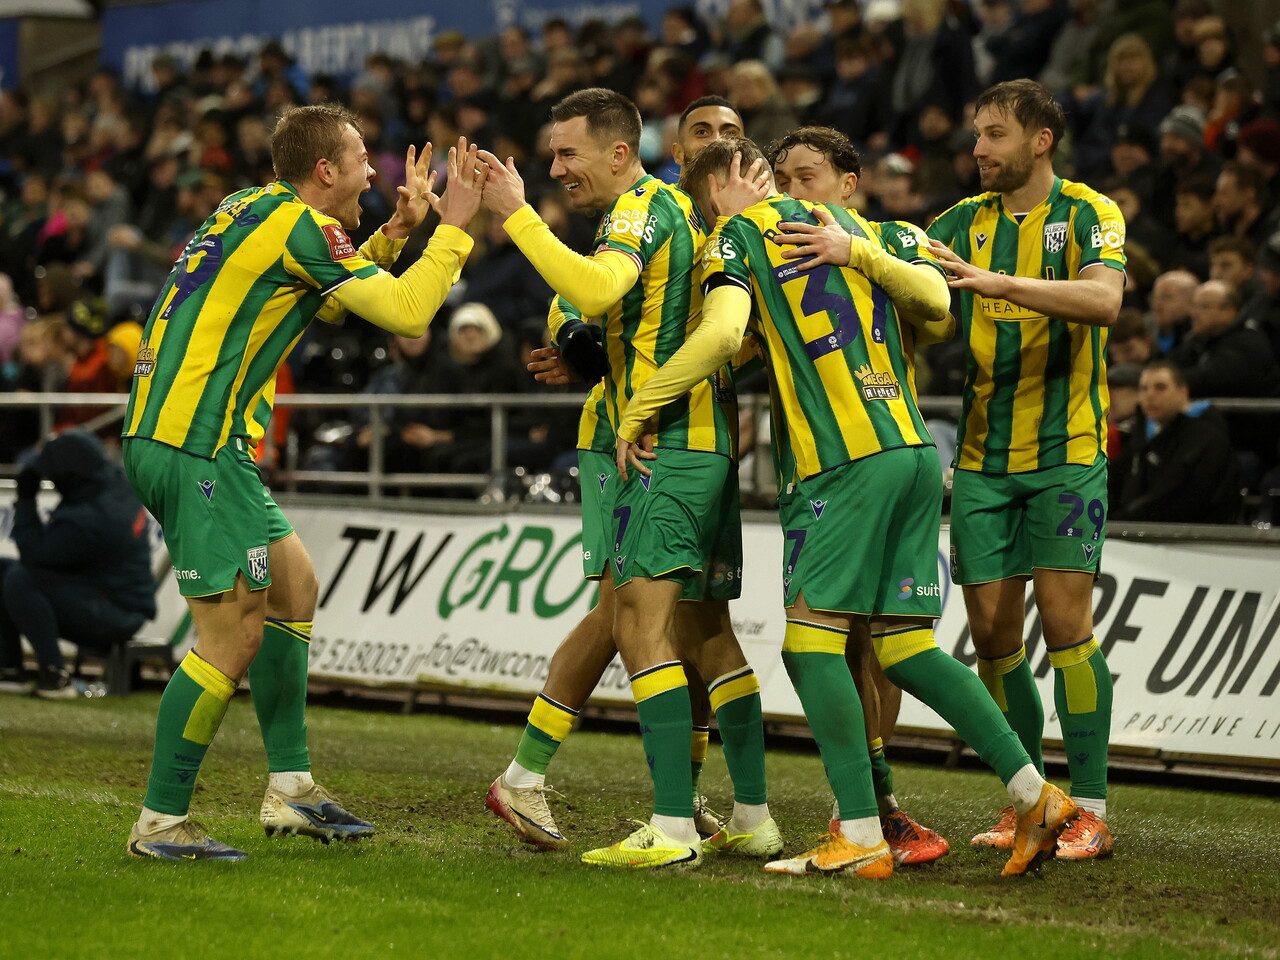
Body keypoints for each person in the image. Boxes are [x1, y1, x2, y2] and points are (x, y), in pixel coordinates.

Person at [621, 134, 1078, 880]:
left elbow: (724, 331)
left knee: (810, 644)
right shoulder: (878, 231)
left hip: (841, 464)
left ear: (725, 190)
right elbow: (936, 302)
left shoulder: (737, 236)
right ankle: (1035, 794)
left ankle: (861, 832)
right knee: (904, 647)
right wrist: (853, 254)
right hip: (911, 451)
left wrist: (643, 404)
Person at [121, 103, 486, 861]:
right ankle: (160, 821)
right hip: (197, 446)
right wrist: (454, 225)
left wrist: (396, 233)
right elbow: (408, 313)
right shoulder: (302, 228)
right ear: (326, 171)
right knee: (232, 635)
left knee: (294, 587)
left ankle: (290, 788)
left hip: (188, 436)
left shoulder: (252, 208)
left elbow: (322, 306)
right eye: (363, 162)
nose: (374, 176)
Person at [479, 89, 775, 869]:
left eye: (566, 154)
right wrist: (577, 345)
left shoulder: (640, 213)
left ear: (620, 152)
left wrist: (515, 213)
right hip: (705, 438)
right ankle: (748, 812)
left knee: (631, 619)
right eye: (703, 133)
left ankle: (663, 816)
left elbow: (594, 290)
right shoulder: (699, 226)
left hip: (648, 441)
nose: (555, 169)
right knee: (700, 631)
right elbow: (581, 310)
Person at [923, 79, 1125, 860]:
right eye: (977, 133)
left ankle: (1095, 808)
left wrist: (999, 285)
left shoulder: (1087, 213)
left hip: (1067, 453)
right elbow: (903, 284)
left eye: (996, 134)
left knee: (1068, 627)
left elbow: (1104, 303)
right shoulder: (954, 225)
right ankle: (1035, 801)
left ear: (1040, 141)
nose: (979, 148)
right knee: (992, 634)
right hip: (980, 460)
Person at [763, 125, 950, 866]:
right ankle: (875, 806)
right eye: (781, 179)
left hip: (870, 450)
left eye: (806, 177)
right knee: (850, 641)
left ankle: (863, 809)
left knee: (872, 642)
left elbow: (936, 314)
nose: (791, 193)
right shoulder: (772, 244)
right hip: (815, 455)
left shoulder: (896, 236)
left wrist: (853, 251)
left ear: (849, 182)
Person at [0, 430, 157, 697]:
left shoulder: (90, 516)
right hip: (113, 595)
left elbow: (34, 556)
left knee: (20, 578)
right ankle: (10, 669)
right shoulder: (113, 481)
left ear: (70, 476)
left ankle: (55, 676)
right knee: (3, 569)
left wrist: (25, 499)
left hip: (118, 612)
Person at [1111, 359, 1240, 523]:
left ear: (1183, 391)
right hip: (1138, 529)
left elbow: (1174, 498)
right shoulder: (1143, 433)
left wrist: (1119, 520)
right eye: (1143, 389)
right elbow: (1116, 478)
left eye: (1160, 387)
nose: (1150, 395)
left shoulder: (1206, 438)